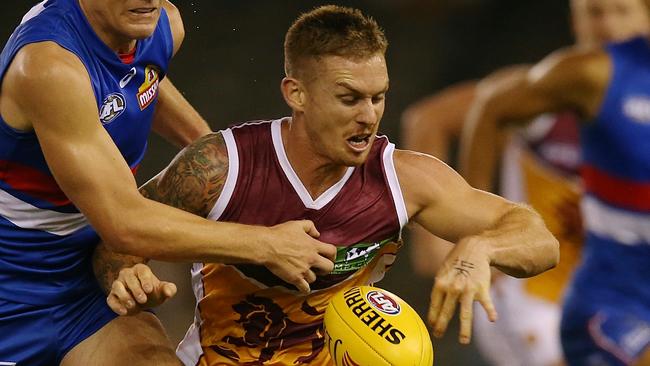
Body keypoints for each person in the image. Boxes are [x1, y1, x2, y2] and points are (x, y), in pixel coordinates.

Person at [96, 5, 560, 365]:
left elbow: (538, 239)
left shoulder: (404, 179)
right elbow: (118, 241)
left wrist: (481, 248)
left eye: (378, 97)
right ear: (296, 93)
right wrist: (123, 275)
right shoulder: (221, 165)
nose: (369, 115)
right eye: (349, 98)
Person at [0, 1, 338, 365]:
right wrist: (266, 243)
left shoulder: (157, 25)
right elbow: (124, 223)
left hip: (86, 285)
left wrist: (224, 162)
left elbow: (142, 81)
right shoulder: (48, 67)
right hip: (11, 287)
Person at [401, 1, 650, 365]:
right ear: (574, 21)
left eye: (621, 11)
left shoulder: (633, 99)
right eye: (594, 12)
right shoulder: (550, 87)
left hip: (610, 289)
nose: (607, 25)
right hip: (529, 299)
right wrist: (453, 237)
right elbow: (430, 119)